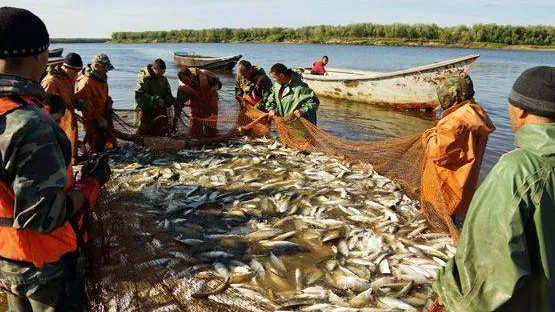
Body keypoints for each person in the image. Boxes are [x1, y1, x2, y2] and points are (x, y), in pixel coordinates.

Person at [0, 7, 111, 311]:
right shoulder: (29, 123)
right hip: (45, 266)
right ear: (39, 56)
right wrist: (90, 186)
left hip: (7, 259)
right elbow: (41, 216)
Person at [432, 66, 555, 312]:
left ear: (520, 110)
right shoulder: (478, 115)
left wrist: (449, 299)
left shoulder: (519, 171)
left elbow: (484, 275)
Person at [420, 74, 495, 233]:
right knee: (450, 220)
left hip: (446, 187)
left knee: (439, 225)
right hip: (462, 184)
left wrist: (428, 135)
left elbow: (437, 153)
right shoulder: (475, 114)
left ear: (450, 96)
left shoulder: (455, 121)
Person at [41, 52, 83, 159]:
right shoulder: (51, 81)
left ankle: (72, 160)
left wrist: (76, 101)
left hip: (68, 117)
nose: (77, 74)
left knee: (69, 143)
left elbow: (69, 96)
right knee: (57, 145)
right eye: (74, 71)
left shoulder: (68, 79)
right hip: (55, 120)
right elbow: (42, 104)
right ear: (64, 67)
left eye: (78, 71)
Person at [75, 53, 117, 154]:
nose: (106, 72)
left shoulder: (101, 79)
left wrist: (109, 101)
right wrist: (99, 118)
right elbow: (84, 104)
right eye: (105, 69)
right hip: (92, 120)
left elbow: (104, 95)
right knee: (94, 146)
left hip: (103, 115)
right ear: (96, 66)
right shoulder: (86, 82)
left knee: (106, 143)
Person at [175, 66, 221, 136]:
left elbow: (219, 85)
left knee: (211, 130)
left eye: (187, 80)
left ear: (191, 76)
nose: (187, 83)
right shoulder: (182, 87)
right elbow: (178, 105)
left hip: (210, 105)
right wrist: (174, 124)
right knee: (195, 132)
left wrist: (214, 88)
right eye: (184, 82)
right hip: (196, 108)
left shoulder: (204, 76)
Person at [134, 58, 174, 136]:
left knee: (161, 133)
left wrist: (169, 99)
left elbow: (168, 93)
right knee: (143, 135)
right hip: (146, 111)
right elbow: (139, 98)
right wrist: (157, 100)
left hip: (160, 110)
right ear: (153, 69)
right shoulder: (143, 78)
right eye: (159, 73)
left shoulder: (163, 79)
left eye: (163, 73)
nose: (161, 75)